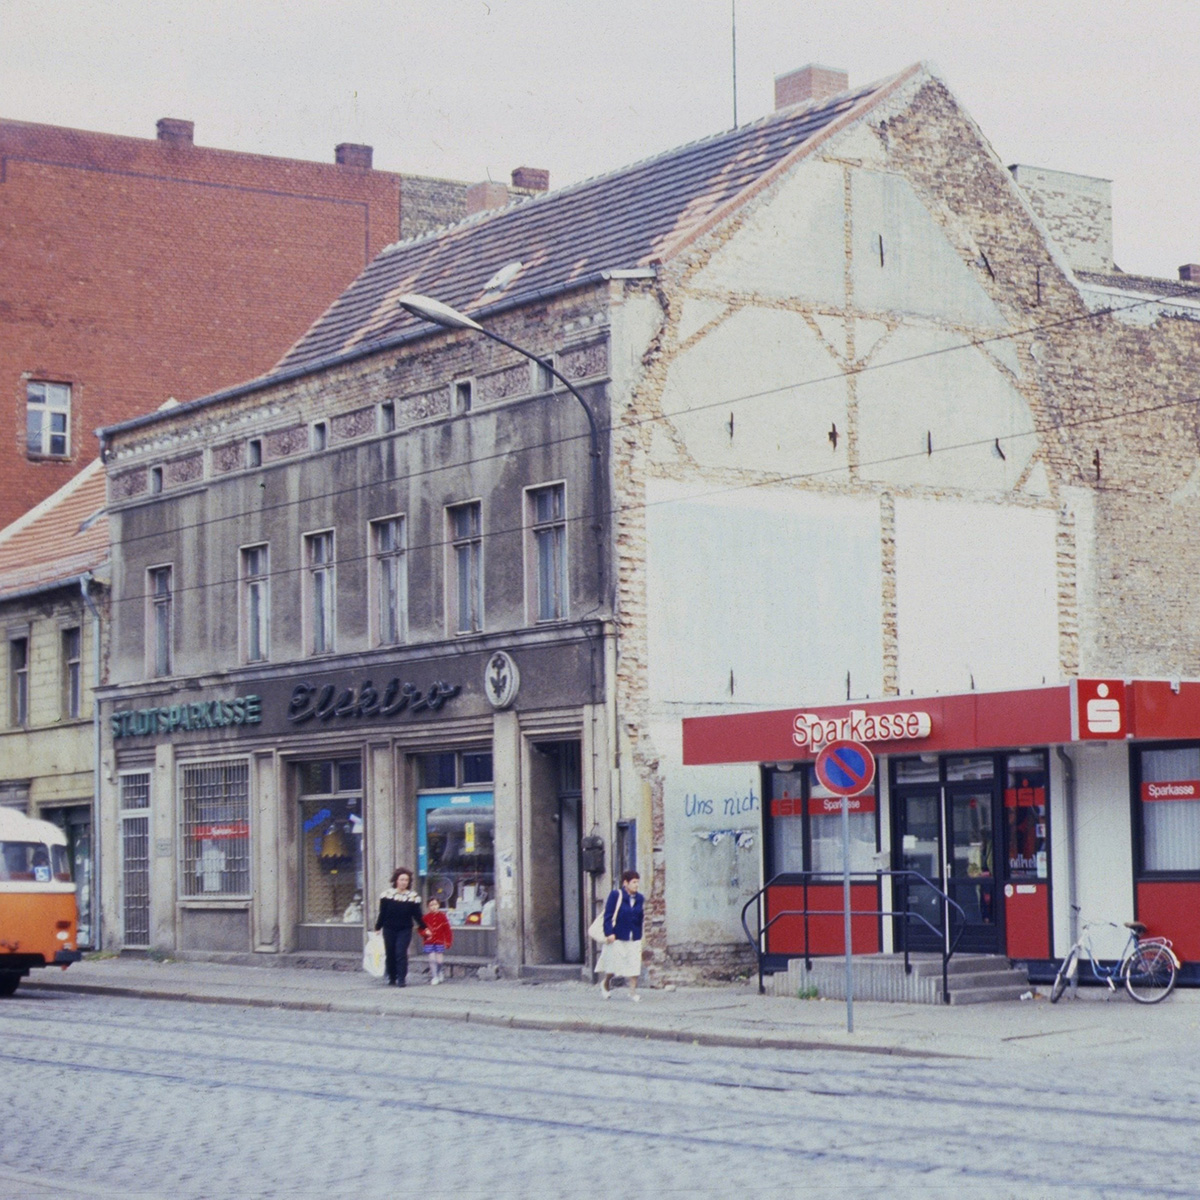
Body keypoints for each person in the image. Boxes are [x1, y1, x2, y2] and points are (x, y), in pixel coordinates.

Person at [596, 870, 645, 1001]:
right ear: (625, 883)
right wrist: (609, 933)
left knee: (634, 964)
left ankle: (632, 992)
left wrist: (639, 934)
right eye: (634, 882)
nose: (636, 885)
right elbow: (608, 916)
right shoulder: (616, 895)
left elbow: (640, 917)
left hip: (634, 936)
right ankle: (605, 983)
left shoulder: (640, 898)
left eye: (637, 882)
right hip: (617, 936)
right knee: (613, 965)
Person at [374, 868, 426, 987]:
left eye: (406, 880)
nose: (404, 882)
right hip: (389, 928)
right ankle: (392, 976)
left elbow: (417, 914)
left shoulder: (413, 897)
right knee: (390, 953)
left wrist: (424, 927)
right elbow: (383, 913)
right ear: (396, 880)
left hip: (405, 929)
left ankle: (402, 978)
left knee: (400, 952)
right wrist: (378, 927)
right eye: (402, 879)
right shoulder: (387, 895)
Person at [420, 897, 454, 985]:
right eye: (431, 905)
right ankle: (434, 976)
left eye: (435, 904)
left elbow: (447, 930)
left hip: (439, 941)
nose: (433, 907)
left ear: (438, 905)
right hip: (429, 941)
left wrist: (448, 941)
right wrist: (425, 933)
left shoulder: (443, 916)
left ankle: (439, 971)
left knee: (439, 960)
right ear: (428, 907)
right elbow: (420, 929)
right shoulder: (425, 917)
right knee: (431, 959)